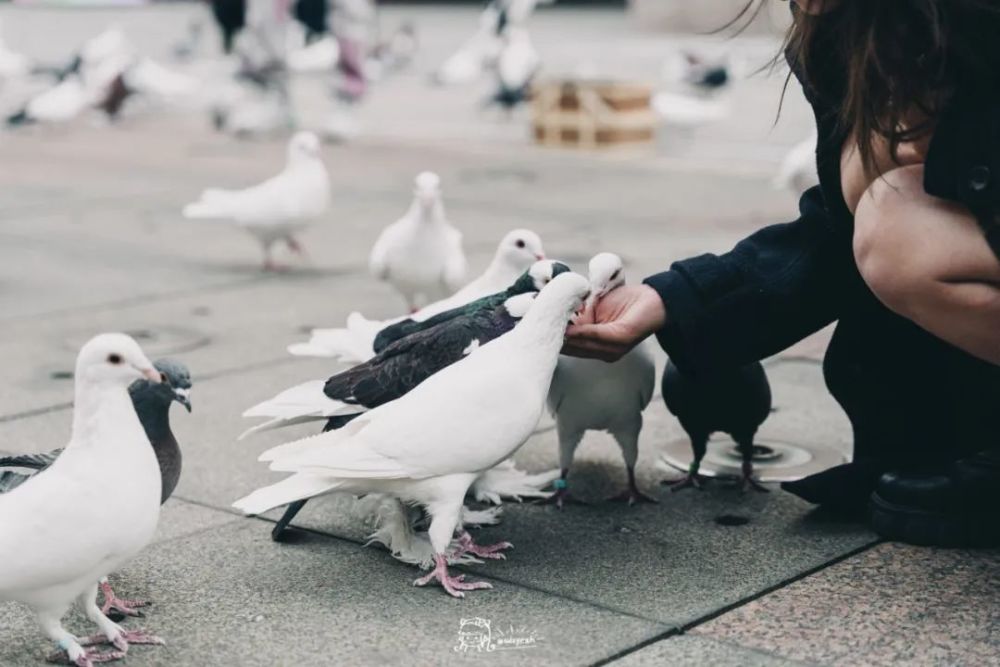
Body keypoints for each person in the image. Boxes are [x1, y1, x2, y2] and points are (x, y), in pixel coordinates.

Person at [564, 0, 1000, 548]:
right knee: (870, 186)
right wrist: (671, 300)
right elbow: (838, 235)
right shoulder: (840, 31)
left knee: (895, 225)